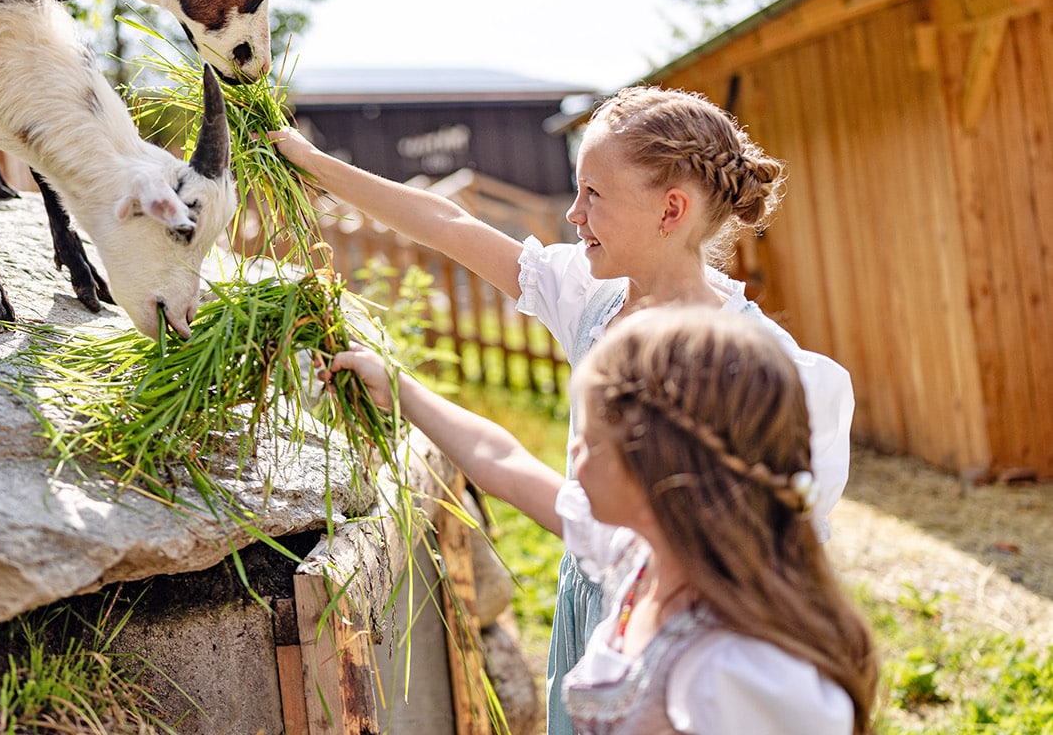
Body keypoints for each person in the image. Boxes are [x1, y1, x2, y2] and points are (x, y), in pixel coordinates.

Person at [271, 85, 854, 734]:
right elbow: (448, 225)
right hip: (599, 609)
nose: (573, 214)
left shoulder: (746, 368)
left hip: (678, 625)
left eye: (594, 194)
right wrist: (309, 162)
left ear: (671, 210)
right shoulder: (592, 296)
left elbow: (782, 546)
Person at [325, 307, 876, 735]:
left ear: (654, 463)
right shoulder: (638, 553)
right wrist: (397, 389)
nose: (574, 461)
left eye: (587, 443)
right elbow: (505, 463)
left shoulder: (739, 668)